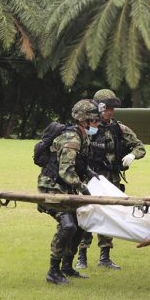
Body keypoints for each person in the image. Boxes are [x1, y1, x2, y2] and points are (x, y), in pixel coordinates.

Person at [76, 89, 146, 270]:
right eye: (107, 108)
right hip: (89, 179)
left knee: (109, 216)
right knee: (86, 213)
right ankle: (81, 255)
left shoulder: (118, 128)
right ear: (98, 108)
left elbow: (140, 147)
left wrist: (132, 155)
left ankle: (105, 257)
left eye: (113, 108)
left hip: (111, 180)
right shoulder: (88, 128)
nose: (110, 112)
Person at [37, 99, 100, 285]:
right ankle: (53, 271)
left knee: (80, 225)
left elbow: (79, 164)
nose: (97, 124)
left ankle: (66, 267)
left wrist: (90, 173)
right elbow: (66, 171)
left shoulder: (83, 136)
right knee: (68, 226)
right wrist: (83, 189)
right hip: (51, 187)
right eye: (94, 120)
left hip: (65, 188)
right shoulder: (72, 138)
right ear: (84, 120)